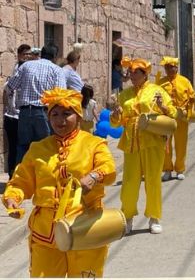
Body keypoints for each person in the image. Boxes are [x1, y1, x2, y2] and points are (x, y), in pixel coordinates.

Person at [3, 87, 116, 277]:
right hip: (46, 232)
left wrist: (94, 176)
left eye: (66, 114)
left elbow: (109, 168)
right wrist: (13, 198)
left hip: (84, 226)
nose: (60, 120)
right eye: (54, 114)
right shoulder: (38, 149)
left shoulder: (93, 143)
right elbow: (21, 181)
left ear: (79, 116)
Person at [110, 57, 176, 235]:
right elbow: (116, 123)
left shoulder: (157, 91)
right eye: (130, 72)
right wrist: (116, 114)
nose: (131, 76)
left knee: (153, 181)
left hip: (152, 141)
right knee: (130, 183)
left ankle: (154, 217)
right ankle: (128, 217)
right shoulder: (125, 94)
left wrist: (162, 107)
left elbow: (172, 113)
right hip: (131, 142)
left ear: (144, 74)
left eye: (135, 73)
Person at [5, 44, 66, 165]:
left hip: (25, 112)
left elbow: (10, 86)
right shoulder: (56, 70)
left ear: (41, 54)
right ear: (54, 57)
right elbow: (61, 96)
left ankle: (20, 179)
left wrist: (13, 106)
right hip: (44, 113)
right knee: (46, 147)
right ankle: (42, 178)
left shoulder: (26, 65)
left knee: (23, 147)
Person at [157, 56, 195, 181]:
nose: (169, 70)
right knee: (166, 145)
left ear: (176, 68)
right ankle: (167, 169)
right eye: (167, 67)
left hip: (181, 117)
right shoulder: (160, 83)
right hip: (166, 117)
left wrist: (189, 105)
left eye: (171, 67)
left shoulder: (185, 81)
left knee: (181, 144)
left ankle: (180, 169)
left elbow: (192, 96)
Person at [3, 44, 31, 176]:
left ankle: (19, 176)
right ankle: (14, 176)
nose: (27, 56)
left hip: (19, 115)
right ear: (19, 55)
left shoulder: (24, 69)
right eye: (24, 54)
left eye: (28, 54)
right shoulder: (19, 70)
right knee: (15, 148)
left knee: (20, 147)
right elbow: (9, 89)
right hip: (14, 116)